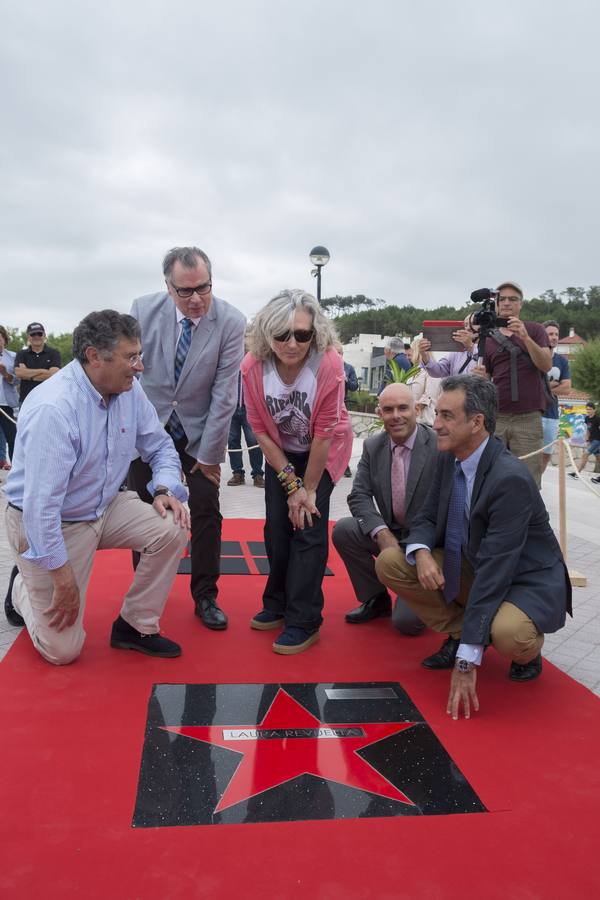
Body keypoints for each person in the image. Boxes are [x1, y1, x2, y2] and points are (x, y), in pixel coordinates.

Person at [375, 374, 571, 720]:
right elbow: (425, 518)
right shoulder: (448, 458)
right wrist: (421, 553)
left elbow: (496, 571)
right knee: (392, 561)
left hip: (522, 580)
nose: (435, 424)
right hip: (473, 563)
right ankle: (464, 631)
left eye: (447, 416)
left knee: (509, 634)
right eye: (437, 413)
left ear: (477, 422)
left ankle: (527, 651)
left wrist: (466, 663)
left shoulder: (509, 478)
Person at [3, 310, 190, 665]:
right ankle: (21, 590)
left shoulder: (129, 392)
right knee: (62, 651)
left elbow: (161, 447)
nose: (139, 367)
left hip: (105, 506)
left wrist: (165, 489)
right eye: (130, 357)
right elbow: (41, 509)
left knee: (173, 525)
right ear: (93, 356)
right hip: (52, 523)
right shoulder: (54, 409)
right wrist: (62, 578)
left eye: (140, 355)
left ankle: (136, 625)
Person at [129, 246, 245, 631]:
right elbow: (130, 376)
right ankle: (146, 595)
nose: (196, 299)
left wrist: (210, 456)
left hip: (198, 434)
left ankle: (206, 595)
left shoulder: (230, 321)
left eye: (204, 288)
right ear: (168, 286)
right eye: (185, 291)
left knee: (207, 511)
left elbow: (226, 393)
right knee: (146, 514)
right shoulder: (143, 311)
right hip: (149, 429)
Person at [241, 289, 353, 654]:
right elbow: (259, 430)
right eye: (282, 335)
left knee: (307, 525)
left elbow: (324, 436)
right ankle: (276, 603)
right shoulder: (252, 368)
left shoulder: (329, 365)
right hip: (281, 453)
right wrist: (291, 485)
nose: (292, 343)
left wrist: (306, 491)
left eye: (302, 335)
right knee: (276, 527)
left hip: (324, 452)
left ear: (315, 334)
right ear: (266, 334)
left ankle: (304, 619)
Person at [332, 383, 437, 637]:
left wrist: (418, 548)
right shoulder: (373, 446)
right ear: (380, 414)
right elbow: (358, 495)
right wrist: (381, 532)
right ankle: (376, 599)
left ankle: (437, 596)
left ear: (417, 409)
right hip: (392, 532)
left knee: (407, 624)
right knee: (344, 530)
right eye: (388, 410)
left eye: (403, 408)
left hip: (428, 543)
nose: (396, 416)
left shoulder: (438, 445)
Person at [472, 281, 551, 488]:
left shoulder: (535, 330)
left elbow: (545, 365)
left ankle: (528, 520)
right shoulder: (487, 338)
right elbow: (487, 379)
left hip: (528, 416)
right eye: (502, 299)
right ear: (496, 303)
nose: (507, 303)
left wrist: (524, 337)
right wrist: (482, 378)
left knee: (528, 480)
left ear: (521, 304)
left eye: (513, 299)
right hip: (497, 416)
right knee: (492, 476)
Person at [541, 320, 571, 474]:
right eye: (550, 334)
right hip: (533, 412)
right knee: (529, 452)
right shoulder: (534, 357)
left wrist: (543, 386)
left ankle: (536, 484)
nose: (554, 337)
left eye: (556, 334)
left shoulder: (562, 361)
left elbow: (566, 388)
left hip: (552, 415)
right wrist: (552, 385)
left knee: (546, 454)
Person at [227, 372, 265, 487]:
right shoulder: (229, 359)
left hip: (249, 408)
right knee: (233, 441)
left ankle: (258, 474)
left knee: (253, 441)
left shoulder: (251, 360)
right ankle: (238, 473)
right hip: (230, 408)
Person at [14, 322, 61, 406]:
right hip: (26, 400)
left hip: (49, 401)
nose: (36, 336)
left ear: (44, 335)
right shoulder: (21, 354)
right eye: (33, 334)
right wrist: (44, 372)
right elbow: (19, 373)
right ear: (28, 337)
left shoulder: (54, 353)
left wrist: (29, 375)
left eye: (39, 334)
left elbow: (53, 375)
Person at [333, 341, 358, 476]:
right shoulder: (326, 365)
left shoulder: (348, 368)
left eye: (340, 353)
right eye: (336, 352)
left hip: (343, 405)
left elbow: (355, 386)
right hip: (329, 406)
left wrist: (346, 379)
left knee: (345, 436)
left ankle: (345, 465)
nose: (338, 355)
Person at [407, 337, 442, 427]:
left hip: (425, 423)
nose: (407, 357)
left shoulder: (432, 370)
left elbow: (429, 396)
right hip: (413, 421)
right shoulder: (413, 372)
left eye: (410, 352)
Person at [0, 325, 18, 469]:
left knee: (13, 438)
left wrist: (6, 374)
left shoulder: (13, 357)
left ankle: (16, 471)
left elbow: (18, 380)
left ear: (4, 340)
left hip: (7, 405)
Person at [571, 402, 600, 481]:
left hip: (597, 441)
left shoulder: (597, 419)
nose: (588, 411)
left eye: (590, 409)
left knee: (585, 454)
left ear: (594, 410)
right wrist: (587, 440)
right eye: (587, 409)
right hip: (591, 440)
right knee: (598, 459)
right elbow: (588, 429)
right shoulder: (587, 418)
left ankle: (577, 474)